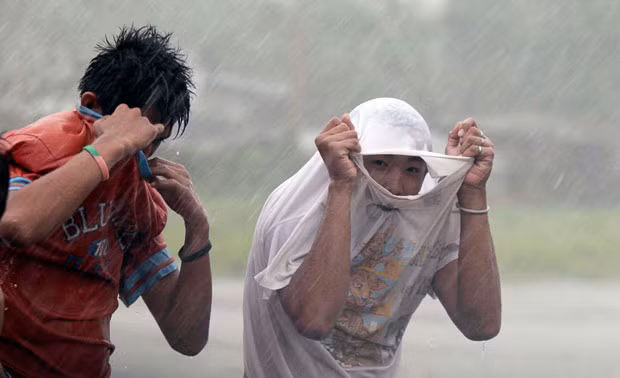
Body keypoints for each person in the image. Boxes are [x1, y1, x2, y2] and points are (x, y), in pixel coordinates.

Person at [0, 25, 212, 377]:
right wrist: (109, 148)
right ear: (90, 106)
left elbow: (186, 337)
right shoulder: (41, 149)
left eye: (155, 140)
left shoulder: (132, 198)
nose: (141, 151)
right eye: (137, 132)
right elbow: (16, 223)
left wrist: (198, 227)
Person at [243, 97, 501, 377]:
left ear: (426, 170)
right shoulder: (295, 213)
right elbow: (314, 320)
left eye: (412, 169)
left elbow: (481, 324)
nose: (395, 184)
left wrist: (473, 191)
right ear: (351, 158)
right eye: (379, 163)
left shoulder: (424, 215)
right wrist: (341, 186)